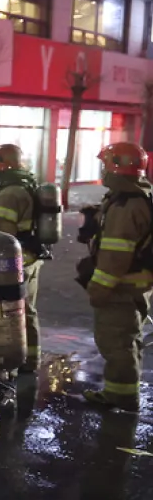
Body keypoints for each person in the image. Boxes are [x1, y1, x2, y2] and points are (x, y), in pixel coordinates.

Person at [81, 143, 153, 411]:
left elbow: (115, 256)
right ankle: (123, 392)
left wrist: (98, 288)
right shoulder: (138, 196)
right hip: (136, 284)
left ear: (116, 166)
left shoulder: (125, 205)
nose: (103, 169)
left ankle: (121, 397)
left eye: (105, 163)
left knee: (116, 342)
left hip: (120, 288)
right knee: (128, 339)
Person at [0, 143, 45, 372]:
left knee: (11, 311)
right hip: (32, 257)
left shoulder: (9, 193)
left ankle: (12, 362)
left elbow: (2, 237)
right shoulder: (29, 183)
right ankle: (31, 360)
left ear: (3, 164)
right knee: (29, 311)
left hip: (16, 262)